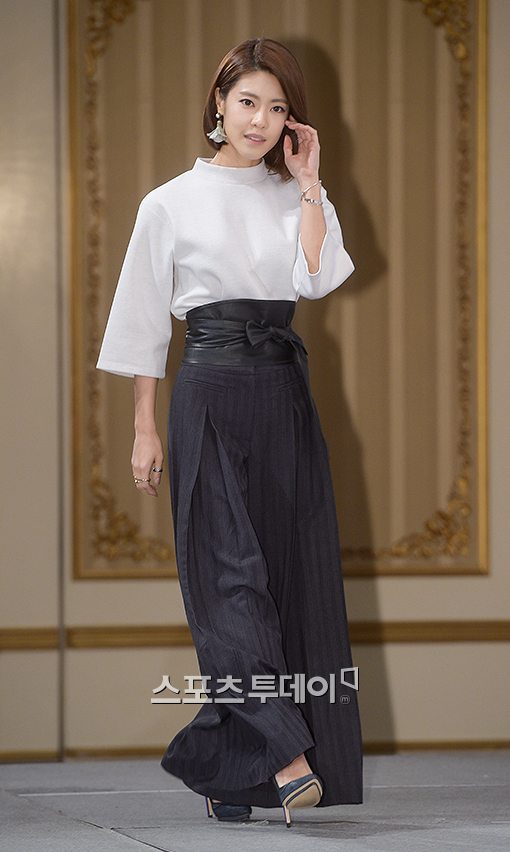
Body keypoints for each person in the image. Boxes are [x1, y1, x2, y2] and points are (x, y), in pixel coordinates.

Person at [96, 37, 363, 828]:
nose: (259, 120)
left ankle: (226, 767)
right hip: (207, 392)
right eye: (247, 101)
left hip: (283, 394)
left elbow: (317, 277)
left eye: (277, 108)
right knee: (228, 580)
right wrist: (144, 429)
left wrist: (310, 186)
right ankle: (284, 757)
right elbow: (143, 322)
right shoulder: (169, 202)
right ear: (218, 102)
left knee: (281, 579)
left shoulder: (298, 194)